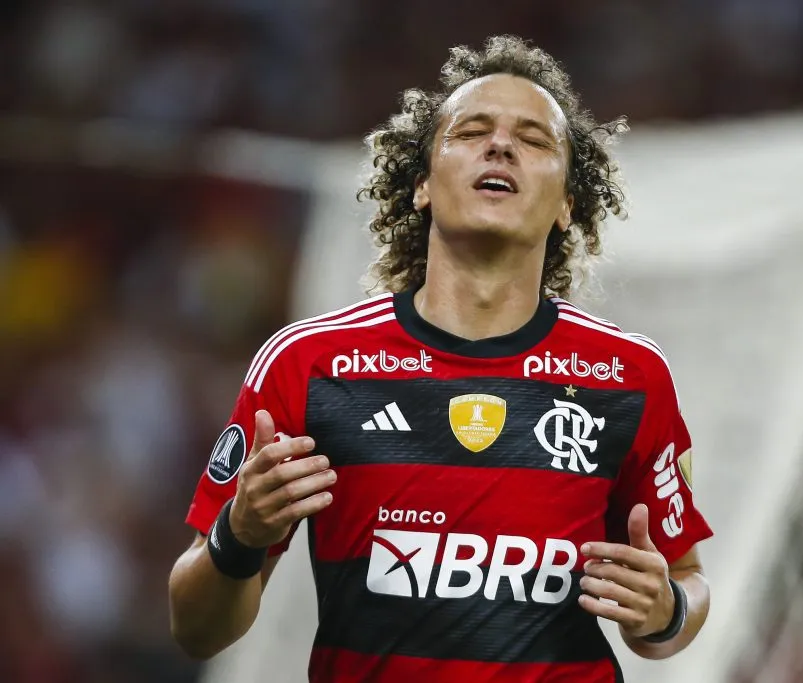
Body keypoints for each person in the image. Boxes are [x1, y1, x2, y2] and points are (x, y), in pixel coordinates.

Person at [169, 35, 712, 682]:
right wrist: (238, 533)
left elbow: (682, 587)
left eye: (535, 140)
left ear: (569, 203)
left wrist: (666, 610)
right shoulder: (308, 364)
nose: (501, 145)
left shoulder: (629, 375)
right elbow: (195, 629)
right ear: (422, 184)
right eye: (472, 130)